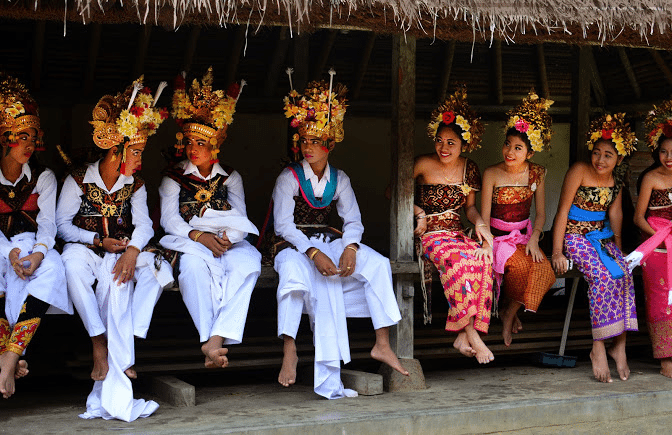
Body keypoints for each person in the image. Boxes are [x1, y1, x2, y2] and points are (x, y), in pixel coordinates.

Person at [274, 75, 408, 399]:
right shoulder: (288, 177)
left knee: (377, 264)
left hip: (327, 240)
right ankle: (289, 348)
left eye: (315, 141)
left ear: (330, 145)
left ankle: (382, 343)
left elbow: (354, 220)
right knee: (292, 274)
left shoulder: (340, 179)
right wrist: (312, 253)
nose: (307, 146)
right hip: (293, 245)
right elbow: (283, 226)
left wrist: (349, 246)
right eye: (304, 140)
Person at [57, 78, 172, 420]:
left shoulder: (135, 183)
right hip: (87, 250)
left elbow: (145, 224)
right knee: (69, 264)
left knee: (136, 277)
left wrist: (132, 251)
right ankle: (99, 342)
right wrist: (96, 241)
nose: (139, 160)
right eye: (136, 152)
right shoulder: (79, 179)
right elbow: (63, 225)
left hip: (119, 254)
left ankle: (121, 352)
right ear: (116, 151)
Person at [159, 68, 261, 371]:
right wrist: (200, 237)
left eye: (200, 144)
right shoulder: (173, 177)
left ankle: (213, 340)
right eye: (190, 143)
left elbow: (240, 217)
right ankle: (210, 339)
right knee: (192, 271)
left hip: (227, 241)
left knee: (249, 266)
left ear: (214, 145)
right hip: (188, 241)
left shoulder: (231, 177)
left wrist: (229, 238)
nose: (193, 149)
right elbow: (169, 220)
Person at [0, 73, 72, 399]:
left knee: (54, 270)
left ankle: (10, 357)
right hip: (2, 249)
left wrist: (39, 254)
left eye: (33, 137)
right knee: (4, 280)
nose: (29, 145)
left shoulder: (43, 177)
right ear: (4, 137)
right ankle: (10, 354)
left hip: (35, 246)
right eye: (21, 136)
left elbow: (47, 224)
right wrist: (10, 255)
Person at [552, 113, 638, 383]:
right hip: (576, 237)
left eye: (608, 155)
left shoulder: (617, 182)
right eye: (597, 153)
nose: (600, 160)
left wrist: (619, 251)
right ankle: (598, 345)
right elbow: (562, 211)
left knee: (624, 273)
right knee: (600, 277)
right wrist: (557, 251)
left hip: (602, 237)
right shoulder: (579, 170)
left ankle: (619, 346)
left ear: (619, 159)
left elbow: (616, 217)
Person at [413, 87, 495, 364]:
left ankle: (461, 335)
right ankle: (472, 334)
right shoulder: (422, 163)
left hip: (456, 232)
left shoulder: (468, 168)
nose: (443, 148)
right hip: (430, 235)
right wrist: (418, 211)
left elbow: (470, 208)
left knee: (482, 258)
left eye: (451, 143)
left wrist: (481, 225)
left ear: (464, 144)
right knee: (458, 259)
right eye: (440, 141)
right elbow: (393, 193)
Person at [480, 91, 556, 346]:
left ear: (531, 153)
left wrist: (534, 240)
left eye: (518, 148)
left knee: (545, 270)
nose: (510, 152)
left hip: (525, 237)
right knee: (522, 268)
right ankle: (508, 315)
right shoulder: (491, 173)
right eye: (507, 144)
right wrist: (487, 242)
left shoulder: (537, 173)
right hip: (498, 239)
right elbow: (483, 217)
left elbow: (542, 213)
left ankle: (509, 312)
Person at [627, 99, 672, 378]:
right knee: (659, 301)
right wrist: (662, 236)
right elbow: (638, 218)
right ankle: (665, 359)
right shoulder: (651, 178)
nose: (669, 157)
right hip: (655, 248)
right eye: (664, 151)